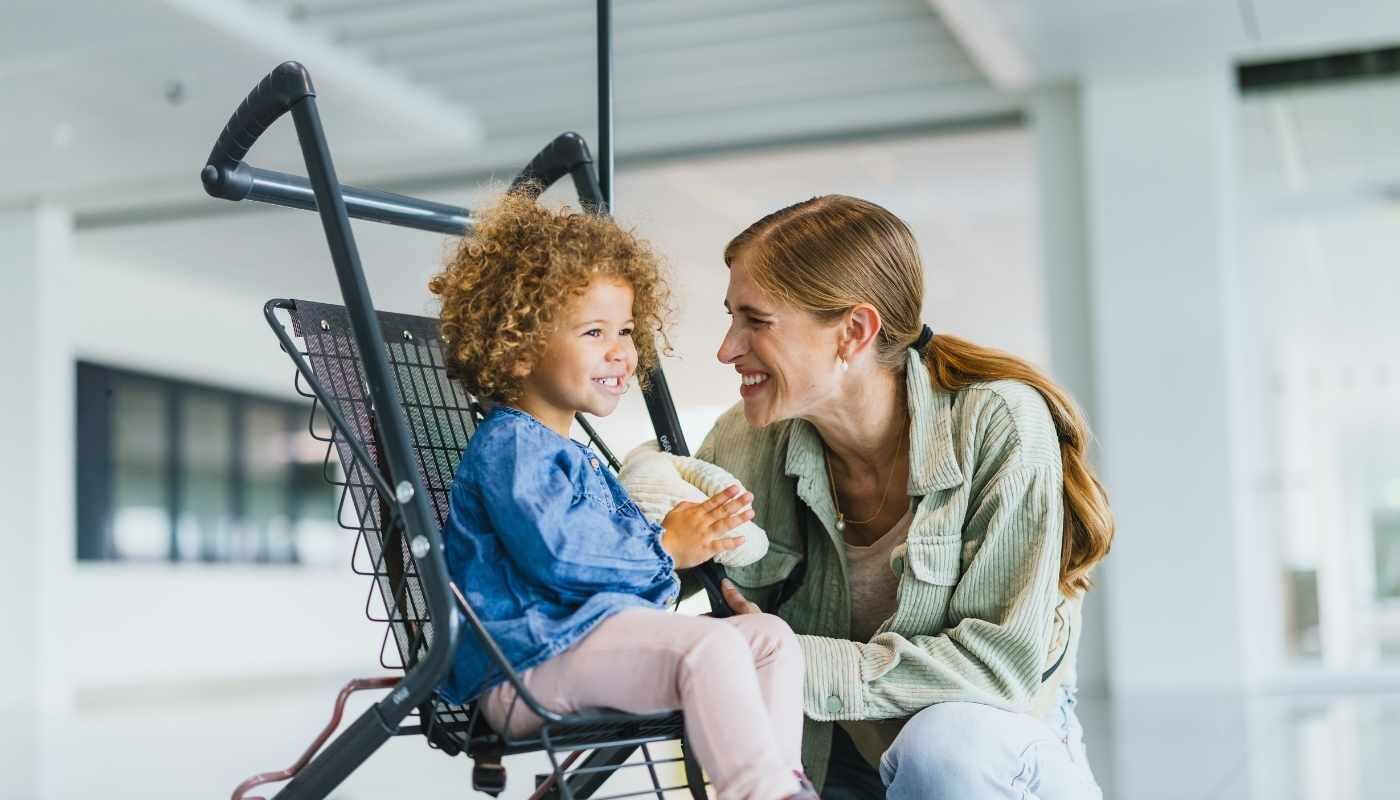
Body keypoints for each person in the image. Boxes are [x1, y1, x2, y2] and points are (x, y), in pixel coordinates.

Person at [695, 195, 1115, 799]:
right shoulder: (743, 439)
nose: (726, 348)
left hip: (991, 760)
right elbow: (652, 563)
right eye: (731, 317)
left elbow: (999, 669)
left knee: (944, 747)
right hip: (837, 761)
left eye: (755, 321)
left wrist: (785, 658)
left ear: (853, 332)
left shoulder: (997, 423)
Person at [428, 193, 817, 800]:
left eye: (627, 331)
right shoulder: (512, 446)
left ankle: (781, 781)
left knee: (769, 640)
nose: (621, 351)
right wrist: (666, 548)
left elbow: (615, 564)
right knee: (711, 648)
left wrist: (687, 536)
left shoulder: (567, 450)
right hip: (525, 666)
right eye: (594, 332)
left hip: (582, 646)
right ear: (519, 344)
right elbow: (561, 555)